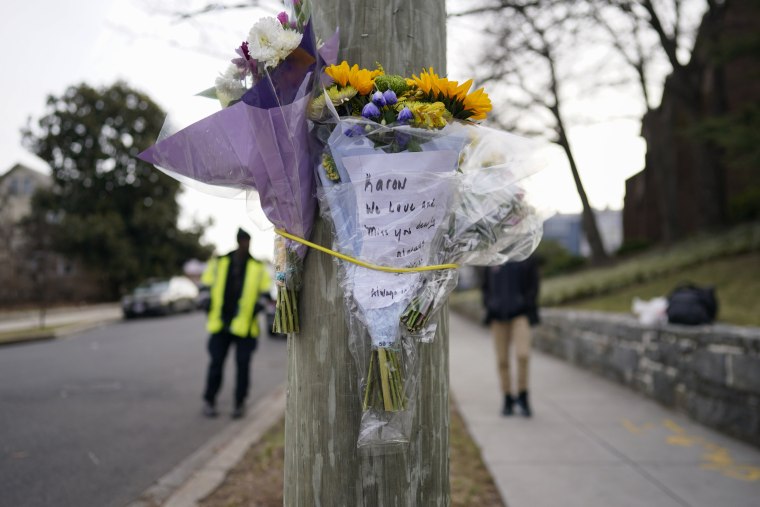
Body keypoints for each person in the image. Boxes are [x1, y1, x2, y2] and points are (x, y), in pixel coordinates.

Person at [200, 228, 272, 419]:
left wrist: (261, 304)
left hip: (245, 327)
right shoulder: (220, 262)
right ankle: (209, 400)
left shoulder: (257, 266)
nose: (245, 245)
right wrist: (205, 299)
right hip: (221, 324)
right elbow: (206, 283)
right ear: (237, 241)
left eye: (247, 241)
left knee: (243, 367)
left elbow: (266, 291)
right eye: (242, 241)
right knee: (216, 364)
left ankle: (239, 403)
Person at [481, 256, 540, 417]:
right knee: (502, 360)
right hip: (498, 317)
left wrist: (525, 302)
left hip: (520, 315)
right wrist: (490, 303)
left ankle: (523, 395)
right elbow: (485, 287)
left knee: (523, 355)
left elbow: (533, 284)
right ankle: (507, 397)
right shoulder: (493, 257)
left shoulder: (525, 255)